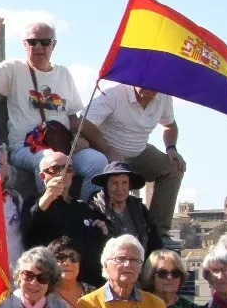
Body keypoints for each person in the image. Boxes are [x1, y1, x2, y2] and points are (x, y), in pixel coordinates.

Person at [76, 85, 183, 238]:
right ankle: (94, 225)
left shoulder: (164, 97)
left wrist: (171, 148)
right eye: (144, 81)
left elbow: (170, 125)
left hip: (138, 151)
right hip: (106, 153)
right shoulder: (114, 94)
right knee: (98, 165)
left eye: (154, 83)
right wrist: (108, 149)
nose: (149, 86)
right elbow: (83, 122)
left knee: (174, 168)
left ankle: (158, 233)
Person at [0, 18, 85, 176]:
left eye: (44, 42)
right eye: (32, 42)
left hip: (62, 145)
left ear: (53, 45)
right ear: (25, 45)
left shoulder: (63, 73)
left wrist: (79, 137)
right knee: (52, 161)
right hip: (26, 147)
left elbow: (72, 116)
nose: (38, 46)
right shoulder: (14, 69)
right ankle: (51, 193)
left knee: (97, 162)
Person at [23, 149, 108, 288]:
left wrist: (102, 231)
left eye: (68, 169)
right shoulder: (33, 203)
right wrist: (48, 196)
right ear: (42, 176)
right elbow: (29, 228)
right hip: (53, 284)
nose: (63, 173)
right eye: (55, 169)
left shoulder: (82, 207)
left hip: (87, 285)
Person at [88, 162, 164, 258]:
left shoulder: (141, 210)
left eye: (124, 183)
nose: (120, 188)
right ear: (106, 186)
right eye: (114, 183)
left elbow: (155, 244)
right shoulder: (94, 210)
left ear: (129, 185)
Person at [48, 236, 89, 308]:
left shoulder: (92, 292)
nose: (68, 263)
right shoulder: (43, 295)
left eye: (74, 257)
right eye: (61, 257)